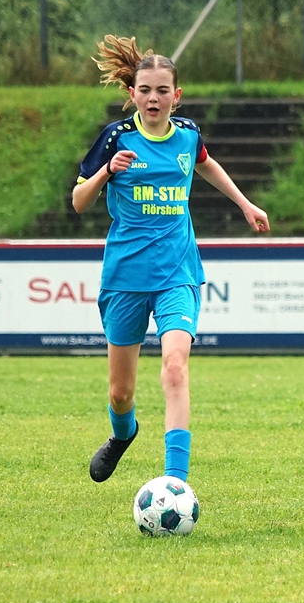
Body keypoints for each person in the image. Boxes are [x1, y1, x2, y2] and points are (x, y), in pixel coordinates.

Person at [73, 35, 269, 485]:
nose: (153, 98)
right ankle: (123, 434)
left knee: (176, 366)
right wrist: (106, 171)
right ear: (132, 94)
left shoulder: (187, 134)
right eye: (145, 90)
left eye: (162, 90)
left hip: (177, 273)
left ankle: (175, 482)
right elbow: (79, 202)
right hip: (125, 276)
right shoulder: (116, 138)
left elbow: (205, 162)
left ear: (176, 95)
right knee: (120, 394)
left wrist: (245, 204)